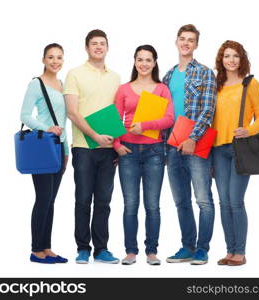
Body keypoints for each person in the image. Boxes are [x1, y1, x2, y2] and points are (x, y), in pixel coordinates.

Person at [113, 45, 174, 265]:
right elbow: (115, 120)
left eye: (148, 60)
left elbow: (169, 119)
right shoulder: (124, 89)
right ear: (134, 61)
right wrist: (117, 145)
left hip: (154, 151)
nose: (144, 64)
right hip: (127, 151)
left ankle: (151, 252)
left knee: (152, 205)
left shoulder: (161, 89)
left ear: (155, 62)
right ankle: (130, 251)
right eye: (140, 59)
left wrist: (145, 125)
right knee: (130, 204)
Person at [64, 29, 120, 264]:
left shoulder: (115, 77)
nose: (98, 47)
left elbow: (117, 114)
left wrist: (116, 144)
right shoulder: (75, 74)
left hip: (108, 150)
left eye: (102, 43)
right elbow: (72, 112)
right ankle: (83, 248)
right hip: (84, 147)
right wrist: (95, 136)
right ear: (86, 48)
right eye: (94, 44)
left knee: (104, 202)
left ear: (107, 48)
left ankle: (102, 249)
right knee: (83, 199)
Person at [163, 24, 217, 265]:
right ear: (176, 41)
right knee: (181, 200)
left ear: (196, 45)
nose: (186, 43)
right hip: (171, 146)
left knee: (203, 199)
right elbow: (162, 113)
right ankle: (187, 246)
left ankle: (202, 249)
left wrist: (192, 138)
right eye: (182, 39)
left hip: (195, 145)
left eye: (191, 40)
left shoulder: (205, 73)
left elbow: (208, 109)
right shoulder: (167, 75)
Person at [212, 40, 259, 266]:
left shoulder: (250, 84)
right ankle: (229, 251)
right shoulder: (216, 85)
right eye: (226, 56)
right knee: (224, 202)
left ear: (241, 59)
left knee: (236, 201)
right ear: (221, 60)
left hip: (239, 149)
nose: (231, 60)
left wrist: (249, 129)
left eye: (235, 56)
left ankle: (240, 253)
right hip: (217, 149)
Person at [20, 43, 69, 264]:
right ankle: (35, 249)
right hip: (43, 147)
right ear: (43, 59)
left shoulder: (62, 84)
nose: (55, 61)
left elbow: (64, 122)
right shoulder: (36, 84)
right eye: (51, 57)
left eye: (59, 57)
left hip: (59, 147)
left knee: (51, 201)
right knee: (43, 199)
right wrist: (46, 128)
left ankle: (46, 247)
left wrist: (66, 150)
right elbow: (25, 115)